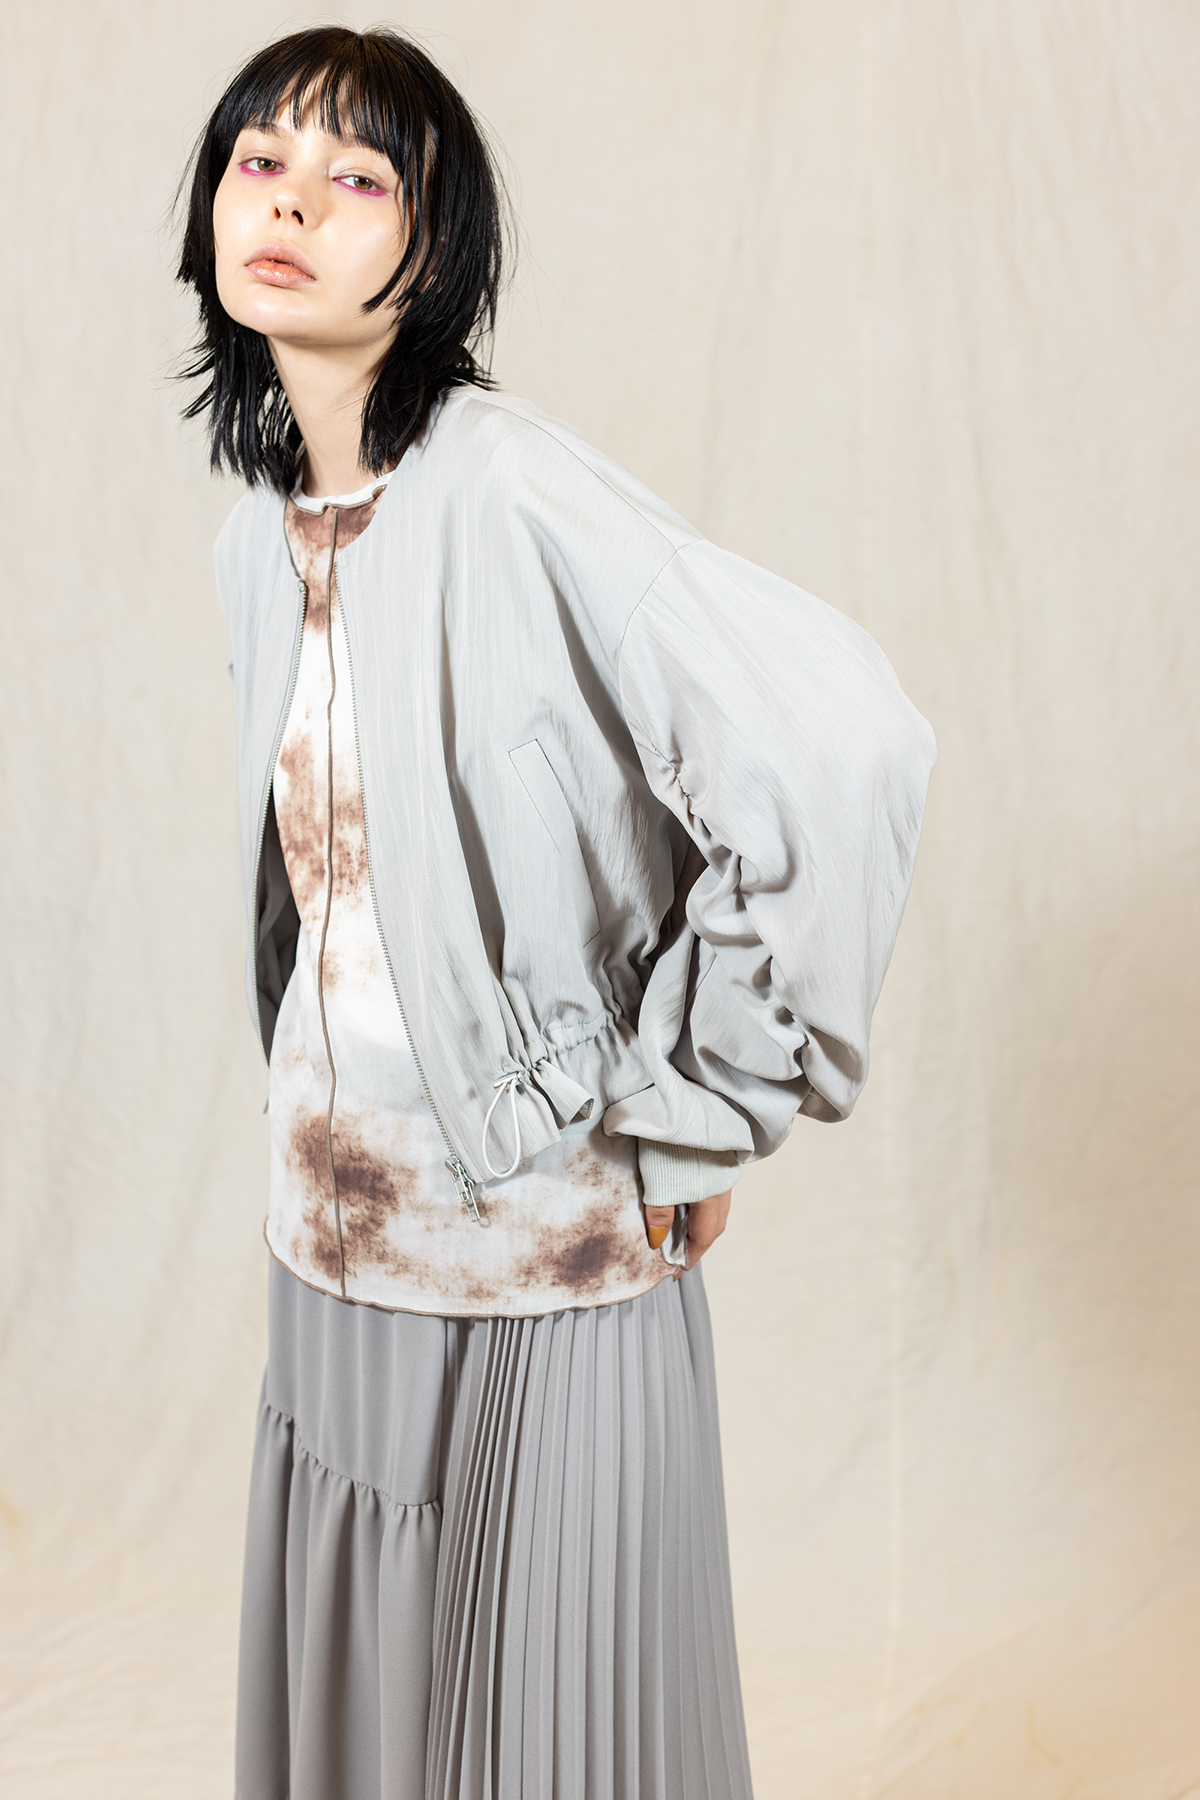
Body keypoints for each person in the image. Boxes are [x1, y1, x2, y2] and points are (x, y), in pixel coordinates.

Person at [177, 24, 936, 1800]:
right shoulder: (258, 539)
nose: (291, 202)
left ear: (434, 251)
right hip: (331, 1244)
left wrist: (704, 1105)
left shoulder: (510, 486)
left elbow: (838, 745)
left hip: (542, 1250)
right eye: (258, 162)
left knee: (545, 1742)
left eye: (357, 177)